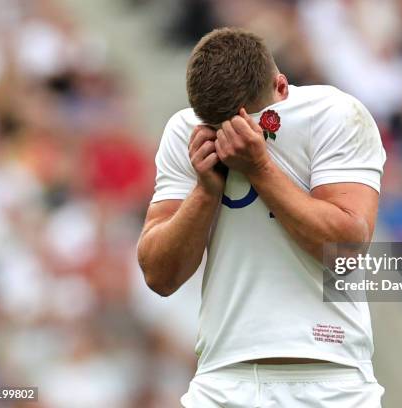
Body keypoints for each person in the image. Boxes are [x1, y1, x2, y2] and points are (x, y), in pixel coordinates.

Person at [137, 27, 386, 407]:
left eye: (253, 121)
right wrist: (205, 191)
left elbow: (346, 249)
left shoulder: (335, 114)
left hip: (330, 375)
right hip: (222, 379)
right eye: (222, 128)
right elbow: (159, 275)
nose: (235, 137)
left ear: (281, 86)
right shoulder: (185, 132)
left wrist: (259, 167)